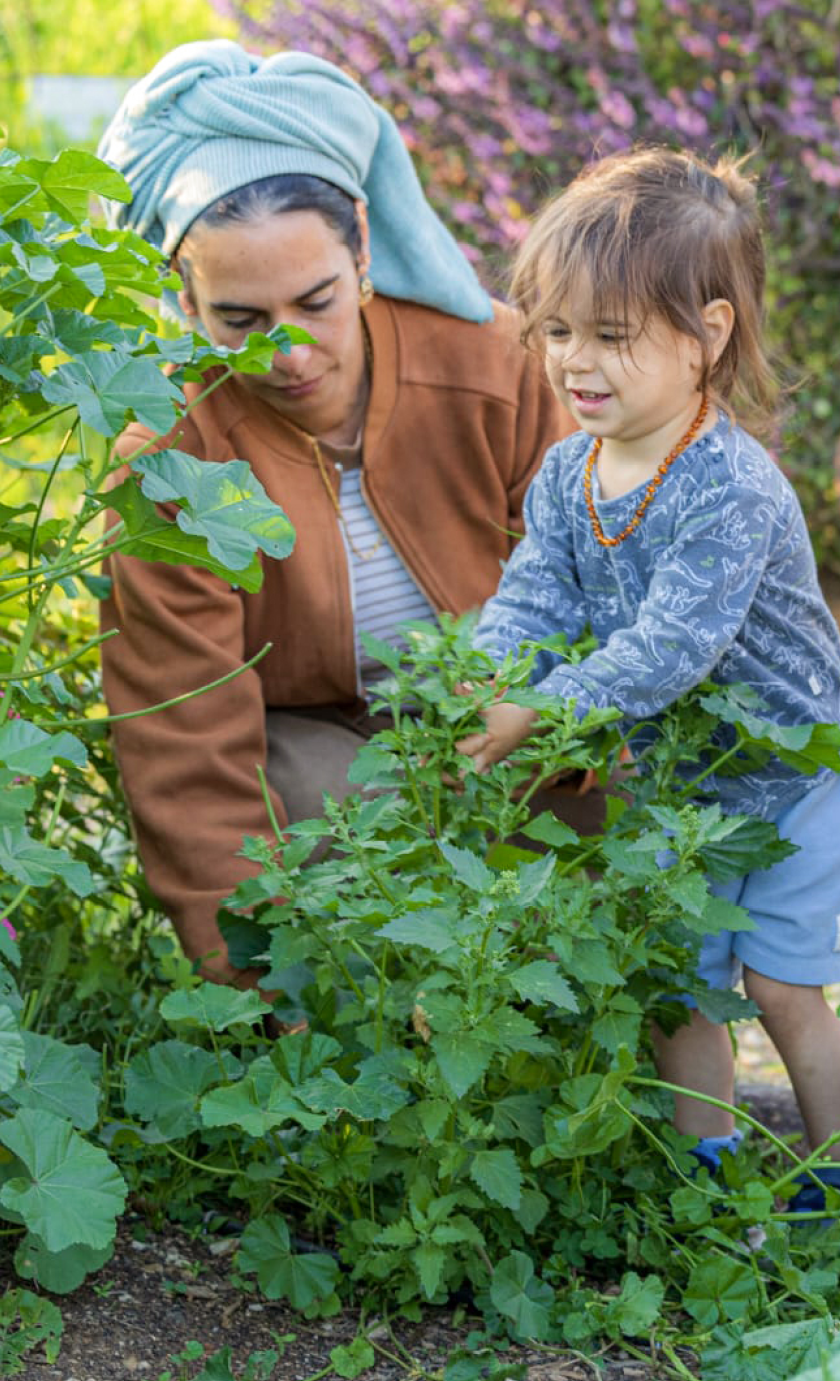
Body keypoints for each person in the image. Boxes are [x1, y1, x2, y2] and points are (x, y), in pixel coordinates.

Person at [461, 148, 840, 1211]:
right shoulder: (568, 473)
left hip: (797, 778)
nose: (577, 362)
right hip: (684, 787)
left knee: (786, 988)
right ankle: (696, 1177)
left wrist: (538, 706)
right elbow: (532, 599)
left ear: (709, 332)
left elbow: (668, 650)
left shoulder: (729, 483)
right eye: (559, 331)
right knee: (675, 987)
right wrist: (477, 680)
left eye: (612, 337)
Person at [93, 41, 572, 987]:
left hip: (506, 712)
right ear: (184, 297)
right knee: (320, 801)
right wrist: (248, 997)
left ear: (361, 243)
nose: (287, 350)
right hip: (314, 739)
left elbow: (597, 578)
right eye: (238, 319)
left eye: (315, 301)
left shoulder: (493, 366)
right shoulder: (168, 456)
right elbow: (185, 741)